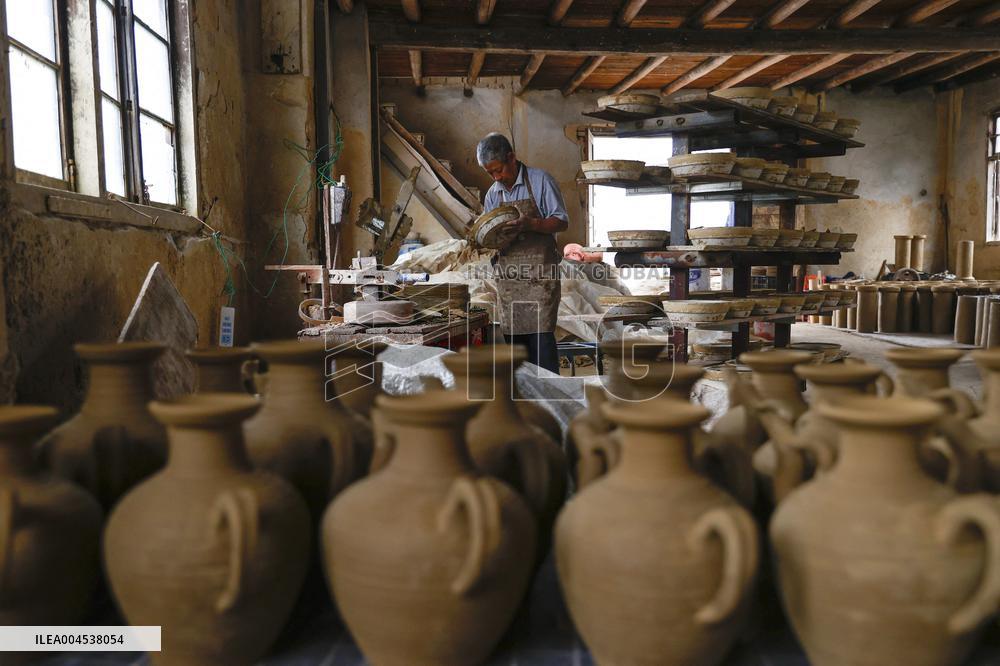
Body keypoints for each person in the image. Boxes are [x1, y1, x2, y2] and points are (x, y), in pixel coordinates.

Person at [477, 132, 567, 373]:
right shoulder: (492, 194)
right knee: (518, 353)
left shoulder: (540, 180)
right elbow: (489, 237)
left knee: (541, 345)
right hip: (509, 280)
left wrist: (531, 224)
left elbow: (561, 221)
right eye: (490, 173)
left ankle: (549, 403)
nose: (497, 177)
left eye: (499, 170)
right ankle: (524, 404)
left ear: (512, 158)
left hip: (539, 277)